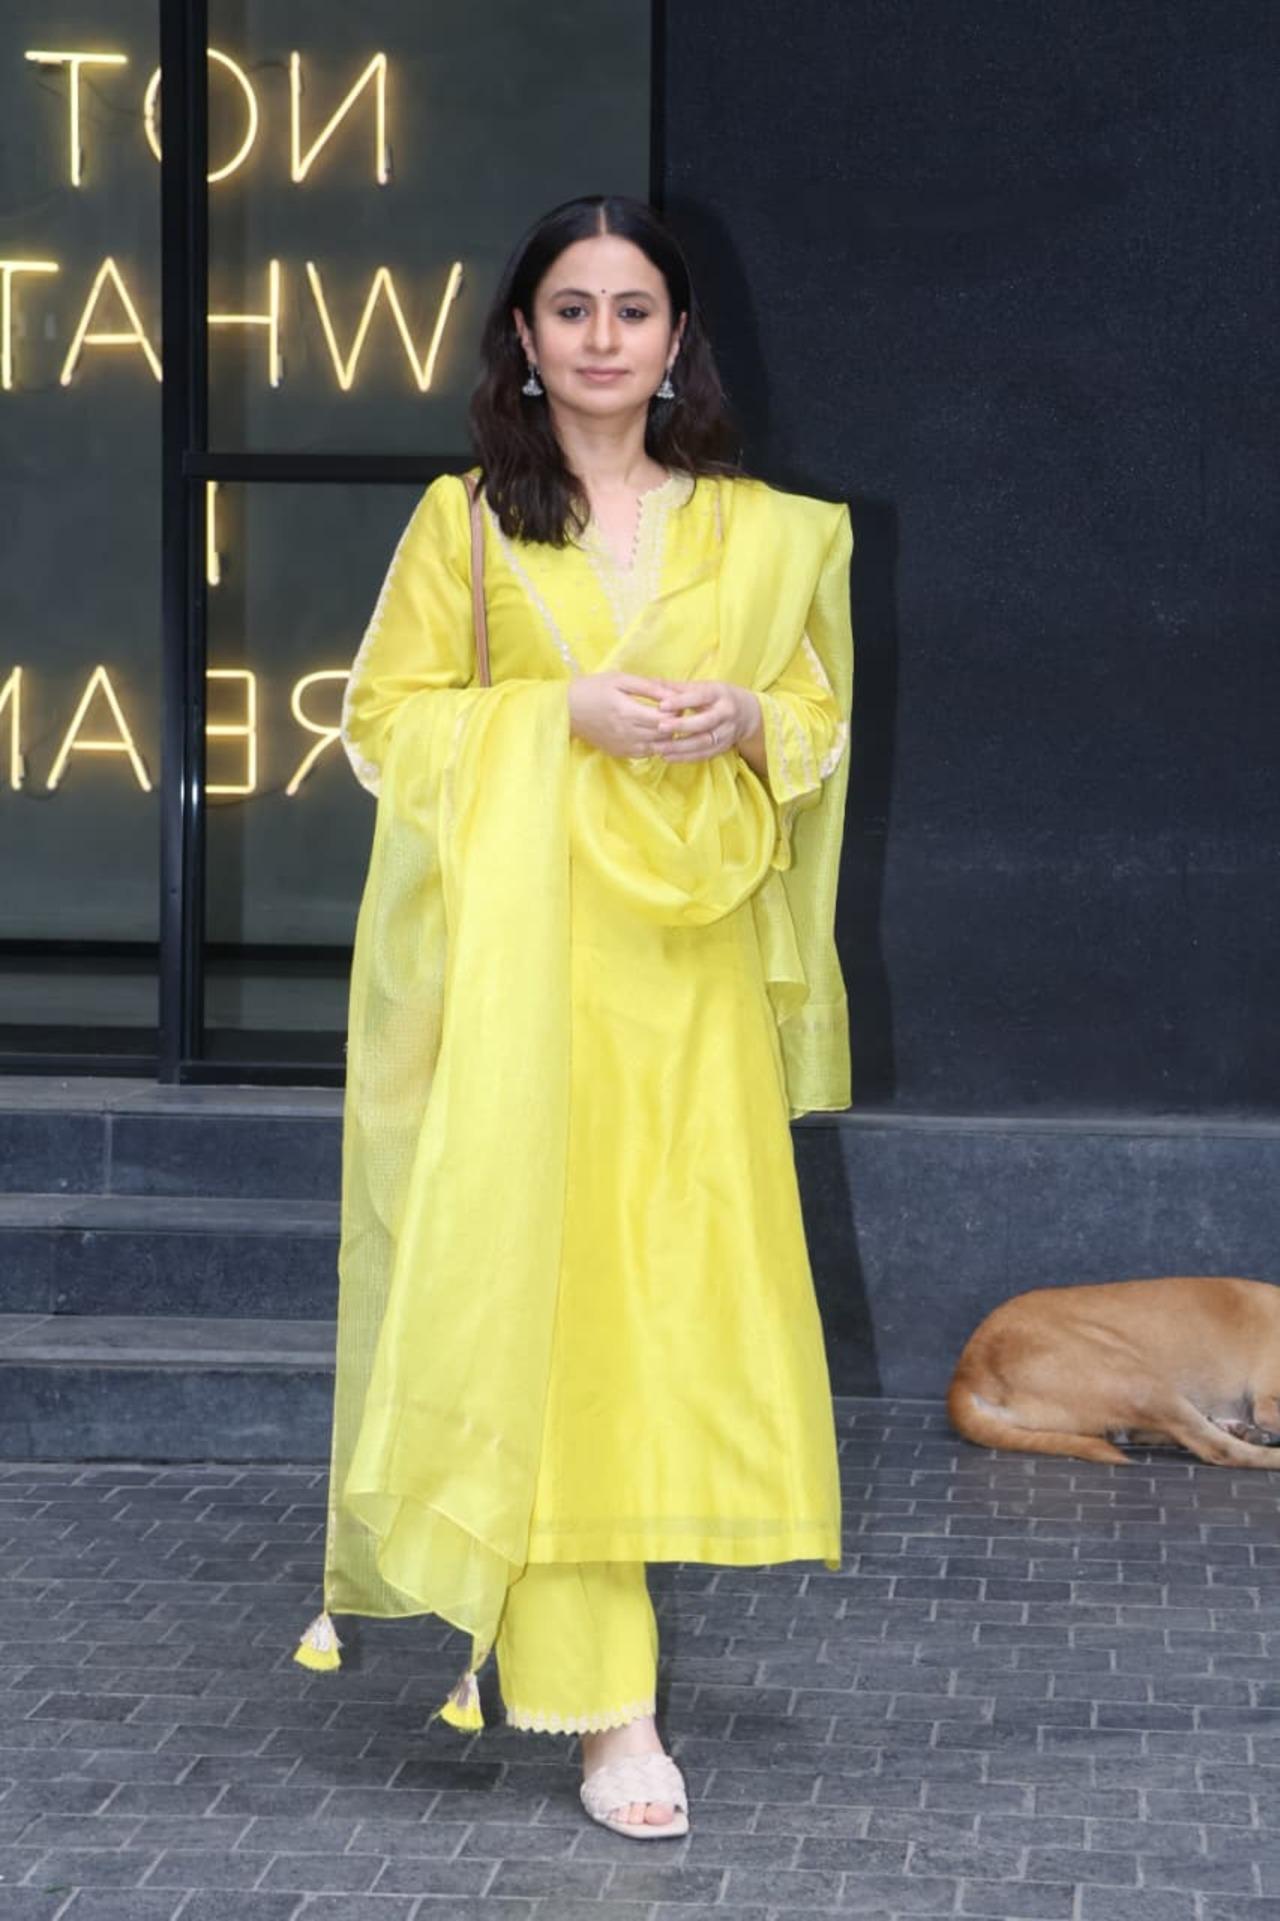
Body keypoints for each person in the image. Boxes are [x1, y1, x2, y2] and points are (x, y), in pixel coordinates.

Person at [294, 192, 854, 1842]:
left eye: (632, 308)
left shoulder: (764, 533)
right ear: (524, 341)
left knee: (659, 1308)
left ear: (678, 339)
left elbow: (815, 720)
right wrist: (561, 717)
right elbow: (386, 723)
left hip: (686, 984)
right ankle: (615, 1707)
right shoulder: (467, 524)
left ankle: (610, 1668)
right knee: (545, 1310)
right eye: (570, 308)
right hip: (523, 978)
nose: (602, 337)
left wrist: (743, 715)